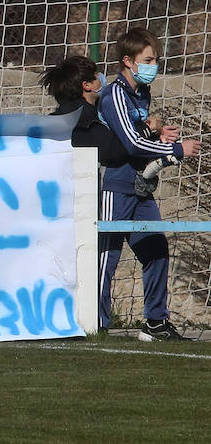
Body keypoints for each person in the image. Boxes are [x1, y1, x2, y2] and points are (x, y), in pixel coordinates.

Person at [96, 27, 201, 341]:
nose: (154, 65)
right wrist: (174, 149)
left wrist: (157, 135)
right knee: (106, 258)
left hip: (141, 186)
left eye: (155, 59)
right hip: (116, 187)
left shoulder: (141, 93)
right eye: (149, 59)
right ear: (128, 61)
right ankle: (95, 323)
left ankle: (155, 322)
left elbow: (137, 135)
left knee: (156, 249)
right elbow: (129, 144)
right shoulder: (114, 93)